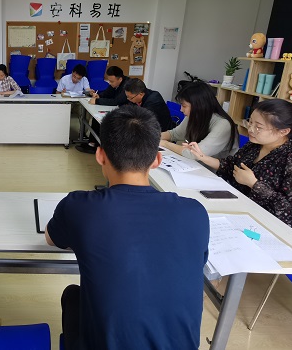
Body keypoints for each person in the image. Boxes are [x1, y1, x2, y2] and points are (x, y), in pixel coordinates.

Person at [46, 106, 209, 350]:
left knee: (72, 295)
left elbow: (51, 238)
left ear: (100, 155)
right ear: (157, 160)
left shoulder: (79, 206)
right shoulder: (195, 213)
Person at [190, 99, 292, 232]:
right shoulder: (255, 145)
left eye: (258, 127)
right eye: (250, 122)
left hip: (268, 227)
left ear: (283, 131)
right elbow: (231, 166)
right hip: (237, 208)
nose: (250, 129)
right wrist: (202, 157)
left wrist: (254, 184)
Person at [160, 81, 238, 160]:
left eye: (184, 106)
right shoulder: (196, 115)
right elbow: (174, 134)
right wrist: (154, 137)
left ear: (198, 106)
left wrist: (165, 144)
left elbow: (195, 154)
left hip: (210, 167)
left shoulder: (224, 125)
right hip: (194, 163)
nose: (181, 110)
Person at [75, 66, 129, 154]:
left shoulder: (127, 86)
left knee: (103, 120)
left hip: (126, 112)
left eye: (112, 81)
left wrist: (97, 101)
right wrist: (99, 95)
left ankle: (96, 145)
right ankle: (93, 143)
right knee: (96, 118)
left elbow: (116, 101)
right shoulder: (115, 83)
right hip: (117, 109)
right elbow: (107, 93)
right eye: (109, 81)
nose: (110, 83)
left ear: (120, 79)